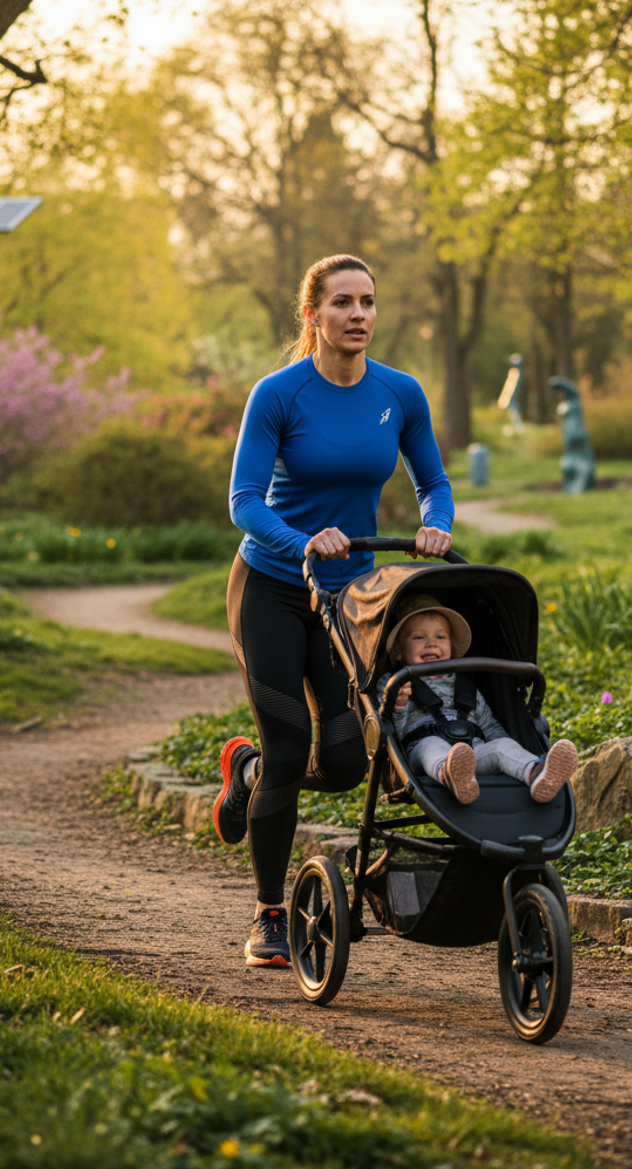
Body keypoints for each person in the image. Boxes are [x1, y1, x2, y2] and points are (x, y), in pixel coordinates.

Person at [215, 253, 454, 968]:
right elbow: (244, 502)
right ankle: (266, 916)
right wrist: (301, 541)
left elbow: (433, 480)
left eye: (369, 302)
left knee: (348, 761)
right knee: (293, 748)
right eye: (343, 302)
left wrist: (435, 521)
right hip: (272, 588)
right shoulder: (278, 394)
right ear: (312, 314)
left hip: (350, 601)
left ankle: (248, 774)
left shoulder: (400, 393)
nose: (359, 315)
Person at [378, 592, 579, 805]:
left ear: (452, 647)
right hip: (420, 751)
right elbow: (391, 736)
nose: (431, 643)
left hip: (472, 752)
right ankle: (450, 774)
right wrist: (398, 706)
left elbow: (489, 726)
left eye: (440, 637)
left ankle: (536, 772)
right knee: (432, 745)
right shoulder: (394, 683)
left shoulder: (466, 685)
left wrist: (506, 744)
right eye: (419, 637)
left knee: (501, 746)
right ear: (398, 650)